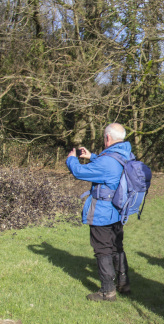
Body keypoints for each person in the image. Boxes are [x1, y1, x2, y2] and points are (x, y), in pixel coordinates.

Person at [66, 123, 132, 302]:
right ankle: (123, 283)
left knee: (102, 249)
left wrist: (71, 159)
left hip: (103, 211)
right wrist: (92, 156)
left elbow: (79, 172)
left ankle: (107, 291)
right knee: (117, 247)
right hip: (119, 210)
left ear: (107, 138)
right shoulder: (126, 154)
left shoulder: (107, 161)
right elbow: (109, 165)